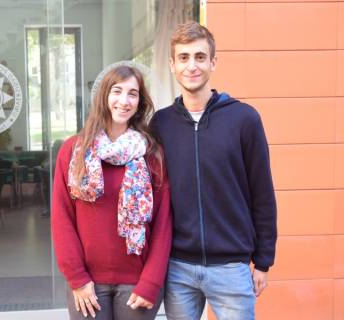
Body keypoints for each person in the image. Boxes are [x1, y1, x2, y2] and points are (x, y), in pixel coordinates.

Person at [151, 21, 277, 320]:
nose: (191, 66)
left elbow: (262, 193)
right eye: (183, 58)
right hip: (178, 267)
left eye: (199, 57)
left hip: (231, 267)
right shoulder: (161, 124)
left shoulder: (244, 119)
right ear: (172, 64)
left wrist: (263, 261)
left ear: (213, 62)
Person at [51, 65, 172, 320]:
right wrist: (77, 278)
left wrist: (151, 282)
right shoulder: (74, 150)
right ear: (104, 96)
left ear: (139, 102)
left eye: (133, 93)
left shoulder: (151, 153)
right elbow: (62, 219)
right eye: (117, 91)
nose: (124, 101)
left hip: (137, 282)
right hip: (88, 283)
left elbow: (163, 224)